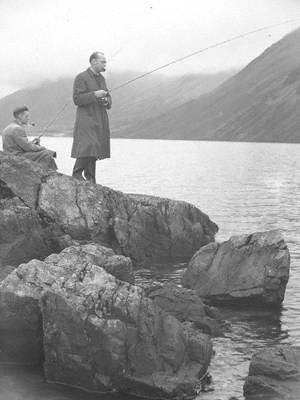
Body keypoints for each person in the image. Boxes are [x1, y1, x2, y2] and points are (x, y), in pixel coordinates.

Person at [71, 51, 112, 183]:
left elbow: (108, 97)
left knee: (96, 147)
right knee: (89, 145)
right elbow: (77, 99)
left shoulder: (102, 79)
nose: (105, 64)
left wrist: (106, 101)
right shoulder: (81, 77)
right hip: (86, 117)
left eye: (105, 62)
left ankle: (90, 177)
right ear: (93, 61)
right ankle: (77, 173)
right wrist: (95, 94)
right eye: (103, 61)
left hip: (100, 117)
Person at [2, 106, 57, 170]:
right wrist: (42, 148)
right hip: (17, 157)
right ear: (20, 116)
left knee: (45, 153)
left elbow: (20, 145)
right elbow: (28, 147)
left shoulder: (7, 128)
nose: (28, 118)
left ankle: (48, 173)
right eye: (26, 116)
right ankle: (52, 175)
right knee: (46, 153)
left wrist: (32, 142)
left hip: (10, 156)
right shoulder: (17, 128)